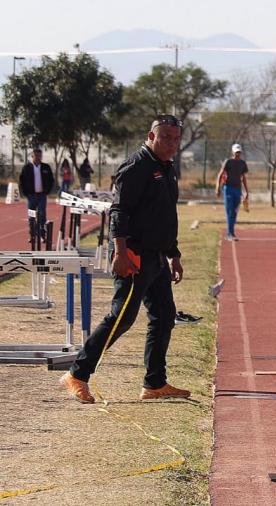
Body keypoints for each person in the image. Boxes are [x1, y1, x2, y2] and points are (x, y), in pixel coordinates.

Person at [59, 114, 189, 403]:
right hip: (134, 255)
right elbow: (118, 212)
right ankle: (77, 375)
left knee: (164, 317)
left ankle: (154, 383)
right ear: (151, 136)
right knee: (122, 318)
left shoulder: (166, 168)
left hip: (157, 257)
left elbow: (165, 216)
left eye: (177, 138)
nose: (172, 143)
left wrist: (174, 254)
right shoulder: (137, 166)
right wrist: (119, 252)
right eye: (166, 137)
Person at [18, 148, 55, 241]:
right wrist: (26, 194)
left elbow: (51, 180)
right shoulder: (27, 168)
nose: (38, 158)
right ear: (32, 156)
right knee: (31, 216)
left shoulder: (46, 167)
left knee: (42, 215)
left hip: (42, 195)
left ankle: (42, 235)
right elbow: (21, 181)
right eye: (36, 156)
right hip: (31, 196)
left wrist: (47, 191)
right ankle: (32, 235)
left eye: (40, 156)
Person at [215, 143, 249, 241]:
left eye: (239, 152)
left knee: (234, 211)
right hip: (228, 188)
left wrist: (246, 191)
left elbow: (243, 178)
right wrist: (217, 188)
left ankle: (230, 233)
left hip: (237, 190)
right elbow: (220, 175)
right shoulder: (228, 162)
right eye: (236, 152)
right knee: (229, 211)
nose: (237, 154)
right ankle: (230, 234)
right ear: (233, 152)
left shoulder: (242, 163)